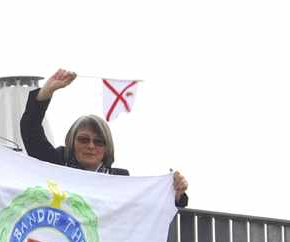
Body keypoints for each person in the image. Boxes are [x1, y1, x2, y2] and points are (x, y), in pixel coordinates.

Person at [21, 68, 189, 206]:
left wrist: (175, 193)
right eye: (84, 139)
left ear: (107, 148)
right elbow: (30, 131)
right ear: (72, 142)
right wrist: (46, 92)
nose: (91, 146)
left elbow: (148, 208)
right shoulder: (56, 162)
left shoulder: (120, 179)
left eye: (99, 142)